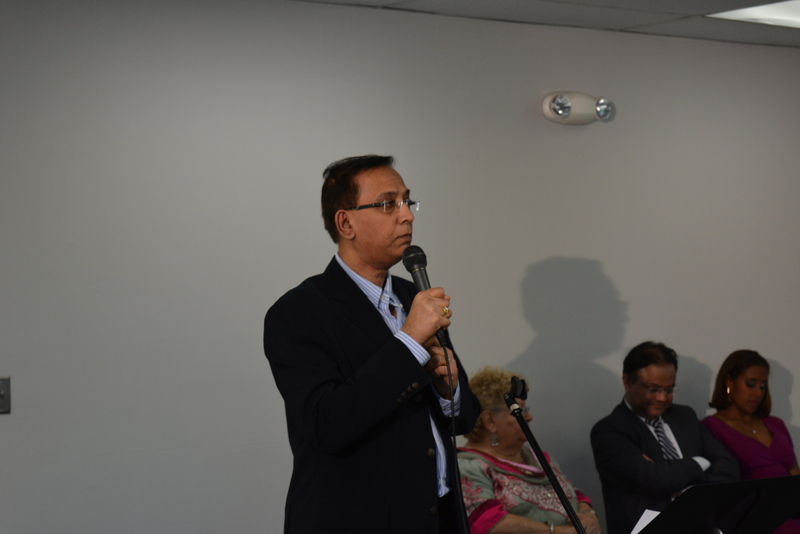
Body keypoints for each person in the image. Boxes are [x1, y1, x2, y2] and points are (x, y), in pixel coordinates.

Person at [264, 154, 481, 534]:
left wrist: (450, 392)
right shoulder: (298, 312)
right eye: (387, 204)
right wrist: (409, 340)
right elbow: (328, 424)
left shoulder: (412, 295)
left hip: (438, 518)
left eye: (407, 201)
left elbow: (464, 419)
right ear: (345, 223)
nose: (407, 215)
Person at [590, 341, 739, 534]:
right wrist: (700, 462)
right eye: (653, 389)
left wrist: (678, 479)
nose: (662, 398)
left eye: (669, 390)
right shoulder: (609, 431)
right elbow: (655, 480)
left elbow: (729, 469)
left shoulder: (684, 416)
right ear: (627, 382)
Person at [457, 366, 601, 534]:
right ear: (490, 421)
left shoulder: (537, 457)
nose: (529, 417)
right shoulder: (468, 467)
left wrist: (588, 514)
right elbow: (486, 522)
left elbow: (573, 494)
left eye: (526, 410)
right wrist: (558, 532)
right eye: (520, 411)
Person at [702, 349, 800, 533]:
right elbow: (721, 486)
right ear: (729, 381)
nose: (757, 393)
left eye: (762, 386)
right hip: (756, 517)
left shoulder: (775, 424)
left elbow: (794, 472)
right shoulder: (711, 427)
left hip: (792, 507)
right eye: (751, 384)